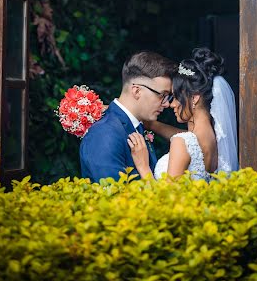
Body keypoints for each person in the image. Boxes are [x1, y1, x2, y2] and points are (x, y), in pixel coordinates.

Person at [127, 47, 238, 181]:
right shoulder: (214, 140)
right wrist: (149, 123)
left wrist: (143, 167)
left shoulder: (182, 143)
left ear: (194, 98)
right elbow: (183, 137)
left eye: (175, 97)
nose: (171, 104)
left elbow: (165, 199)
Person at [80, 51, 176, 182]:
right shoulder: (104, 133)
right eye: (162, 95)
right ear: (137, 91)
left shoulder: (137, 125)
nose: (166, 104)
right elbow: (113, 197)